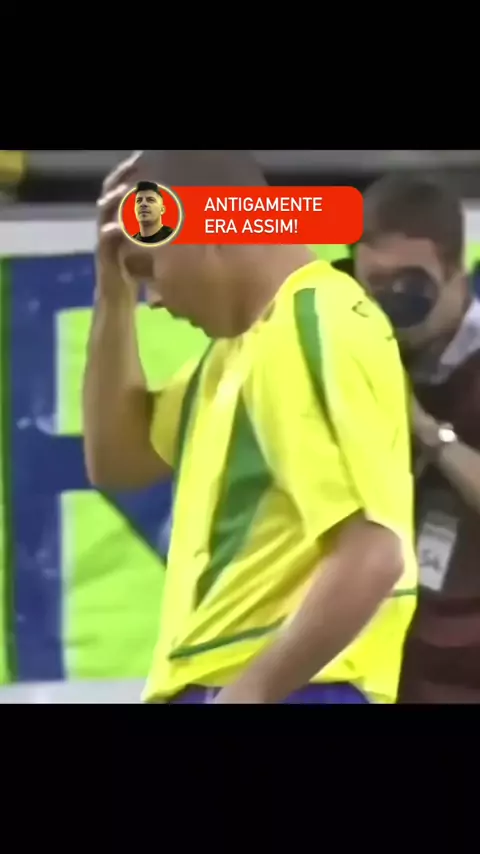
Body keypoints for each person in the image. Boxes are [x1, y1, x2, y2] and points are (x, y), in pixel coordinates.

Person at [83, 149, 417, 705]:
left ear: (210, 233)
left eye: (148, 270)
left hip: (291, 687)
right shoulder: (243, 350)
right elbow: (117, 461)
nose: (155, 299)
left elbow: (373, 553)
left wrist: (250, 694)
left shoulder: (309, 325)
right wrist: (111, 294)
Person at [356, 173, 480, 703]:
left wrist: (426, 431)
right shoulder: (360, 349)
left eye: (412, 284)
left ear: (457, 274)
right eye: (375, 284)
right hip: (390, 661)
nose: (393, 303)